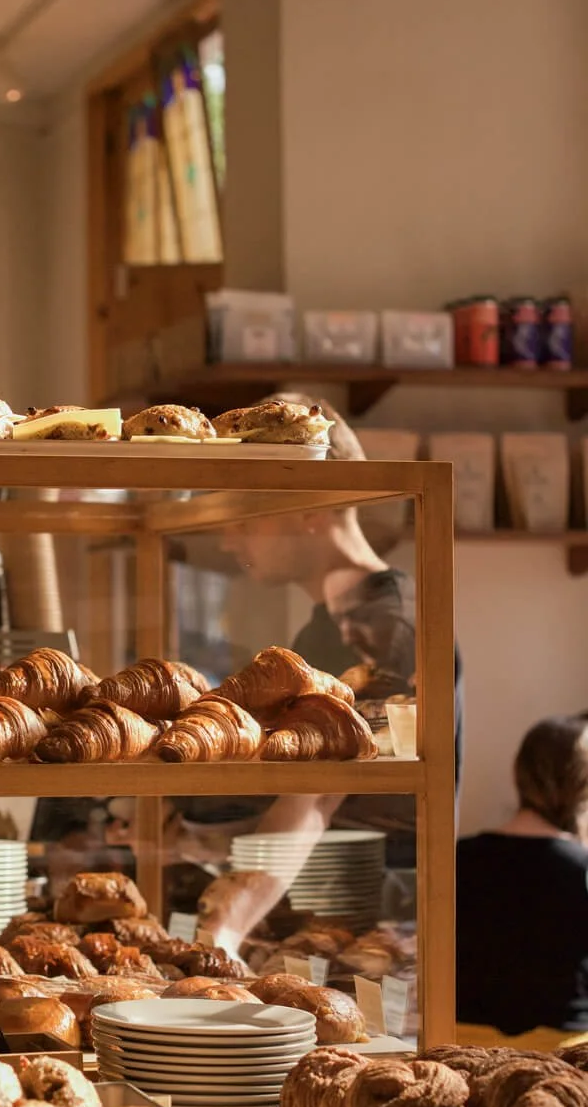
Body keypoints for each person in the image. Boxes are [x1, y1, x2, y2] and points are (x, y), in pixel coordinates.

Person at [182, 395, 462, 951]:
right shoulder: (325, 629)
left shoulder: (389, 628)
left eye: (246, 515)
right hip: (320, 918)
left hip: (372, 935)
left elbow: (316, 798)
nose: (227, 538)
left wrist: (227, 927)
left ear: (312, 508)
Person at [456, 717, 588, 1041]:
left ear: (521, 775)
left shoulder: (460, 856)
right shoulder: (580, 868)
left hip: (468, 1047)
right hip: (566, 1055)